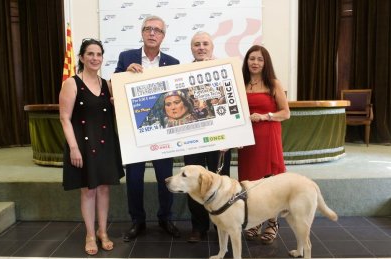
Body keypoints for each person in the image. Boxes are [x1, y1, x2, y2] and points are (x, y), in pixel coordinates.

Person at [114, 15, 181, 242]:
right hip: (135, 131)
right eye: (148, 29)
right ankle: (137, 221)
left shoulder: (173, 63)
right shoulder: (127, 57)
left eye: (157, 30)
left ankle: (165, 218)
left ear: (163, 36)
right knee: (134, 178)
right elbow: (114, 86)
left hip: (163, 130)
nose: (152, 33)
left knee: (166, 178)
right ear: (141, 33)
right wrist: (123, 75)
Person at [59, 38, 125, 255]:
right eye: (90, 54)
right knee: (88, 190)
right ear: (81, 57)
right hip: (83, 145)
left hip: (106, 143)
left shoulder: (106, 84)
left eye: (98, 54)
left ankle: (102, 232)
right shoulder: (71, 83)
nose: (95, 58)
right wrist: (73, 148)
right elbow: (64, 118)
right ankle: (89, 234)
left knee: (104, 188)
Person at [238, 45, 290, 244]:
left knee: (270, 182)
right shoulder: (241, 83)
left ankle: (272, 223)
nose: (255, 63)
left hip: (268, 137)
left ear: (265, 62)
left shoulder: (273, 83)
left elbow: (286, 113)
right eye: (252, 59)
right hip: (247, 141)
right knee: (250, 182)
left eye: (260, 59)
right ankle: (256, 221)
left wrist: (265, 116)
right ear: (247, 61)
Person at [183, 31, 232, 243]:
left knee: (220, 182)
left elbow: (232, 104)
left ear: (212, 47)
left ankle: (222, 224)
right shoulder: (182, 73)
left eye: (205, 44)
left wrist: (231, 136)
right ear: (191, 49)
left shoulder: (225, 71)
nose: (201, 47)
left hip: (219, 139)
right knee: (193, 183)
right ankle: (198, 227)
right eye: (196, 44)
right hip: (191, 139)